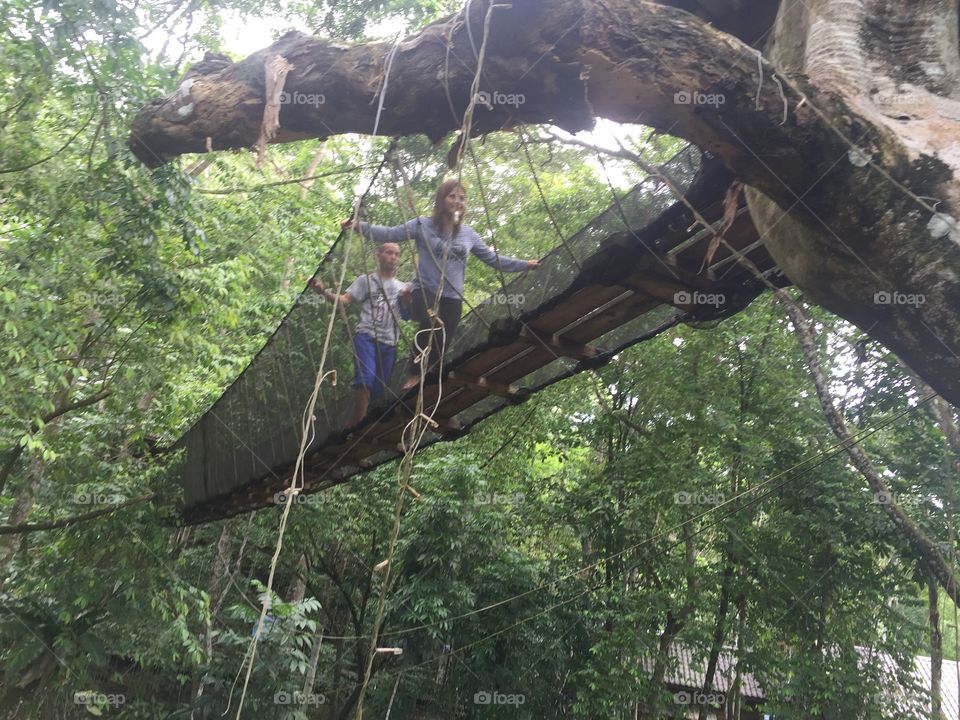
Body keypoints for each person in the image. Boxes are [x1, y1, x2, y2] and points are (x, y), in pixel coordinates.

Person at [343, 179, 540, 389]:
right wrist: (358, 226)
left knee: (443, 337)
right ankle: (414, 375)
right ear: (441, 200)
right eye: (452, 196)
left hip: (452, 297)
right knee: (431, 321)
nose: (458, 201)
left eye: (462, 198)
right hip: (424, 290)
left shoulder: (468, 235)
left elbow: (493, 259)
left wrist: (525, 264)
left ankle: (429, 376)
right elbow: (390, 234)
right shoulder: (422, 225)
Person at [309, 243, 410, 427]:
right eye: (389, 253)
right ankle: (360, 427)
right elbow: (344, 300)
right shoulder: (366, 281)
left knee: (379, 390)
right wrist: (323, 291)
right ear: (378, 255)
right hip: (367, 336)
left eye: (397, 254)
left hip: (390, 342)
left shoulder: (403, 287)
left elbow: (409, 315)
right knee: (366, 379)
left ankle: (354, 426)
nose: (393, 257)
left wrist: (410, 299)